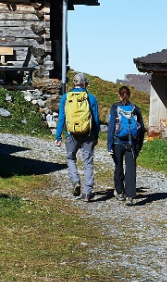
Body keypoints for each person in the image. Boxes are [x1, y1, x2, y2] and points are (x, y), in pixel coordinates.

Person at [54, 72, 101, 202]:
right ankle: (87, 193)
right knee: (88, 163)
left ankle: (75, 181)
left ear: (74, 83)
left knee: (70, 158)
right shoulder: (90, 98)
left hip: (71, 133)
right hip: (88, 134)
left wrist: (58, 136)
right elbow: (96, 119)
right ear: (85, 84)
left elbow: (62, 118)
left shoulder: (66, 97)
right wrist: (96, 135)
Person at [107, 85, 144, 205]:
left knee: (118, 166)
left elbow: (111, 127)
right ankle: (130, 196)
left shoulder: (114, 107)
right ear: (129, 95)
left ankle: (120, 192)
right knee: (131, 168)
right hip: (131, 143)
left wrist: (109, 145)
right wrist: (138, 145)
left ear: (119, 95)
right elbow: (141, 128)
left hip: (118, 142)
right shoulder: (135, 108)